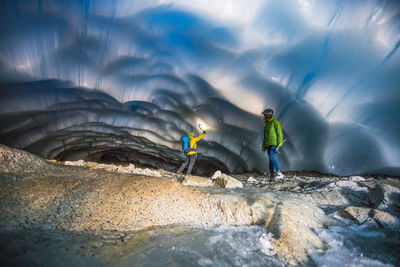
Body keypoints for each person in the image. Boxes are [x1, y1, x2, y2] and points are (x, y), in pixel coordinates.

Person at [261, 108, 284, 180]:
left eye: (265, 115)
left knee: (272, 157)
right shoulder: (267, 124)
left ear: (268, 115)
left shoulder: (276, 122)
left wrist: (279, 145)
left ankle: (279, 173)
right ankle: (272, 176)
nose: (263, 116)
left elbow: (280, 134)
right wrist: (264, 145)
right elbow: (265, 136)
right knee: (270, 160)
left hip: (275, 144)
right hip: (268, 144)